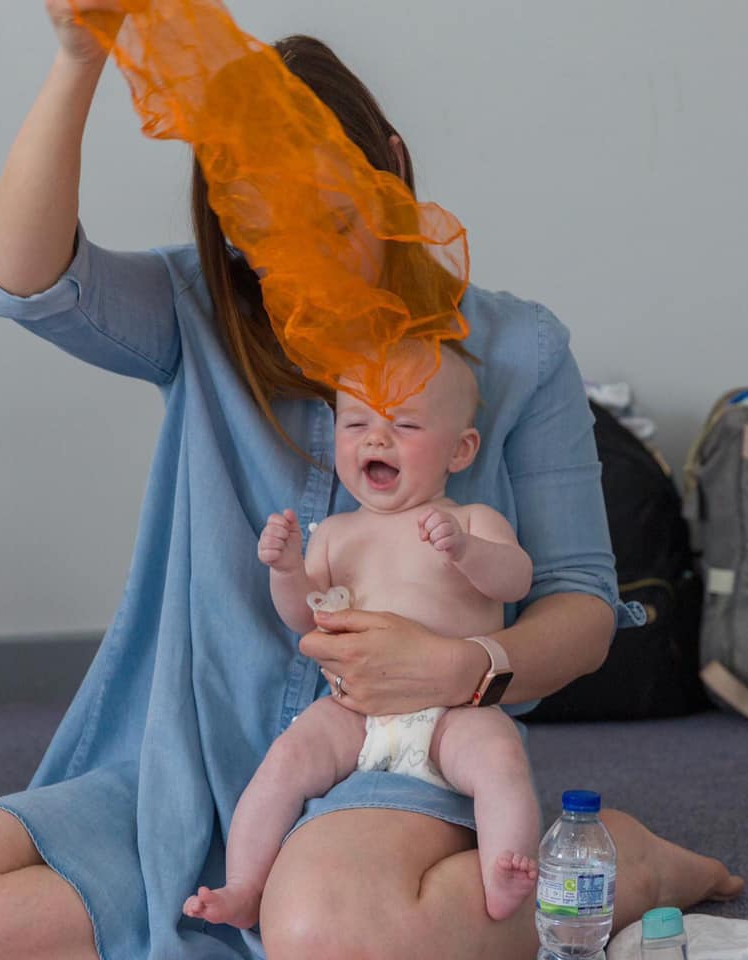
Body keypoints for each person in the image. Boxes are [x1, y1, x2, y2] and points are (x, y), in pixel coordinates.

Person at [0, 3, 744, 959]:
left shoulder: (519, 350)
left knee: (327, 931)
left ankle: (620, 865)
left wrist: (467, 666)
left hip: (400, 763)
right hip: (191, 759)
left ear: (393, 172)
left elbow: (580, 607)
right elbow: (28, 281)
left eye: (332, 219)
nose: (305, 258)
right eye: (265, 230)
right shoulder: (200, 308)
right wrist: (79, 60)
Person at [184, 346, 541, 929]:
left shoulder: (473, 520)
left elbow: (516, 579)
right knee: (285, 761)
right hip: (354, 711)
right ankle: (245, 884)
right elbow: (304, 617)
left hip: (453, 711)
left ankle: (504, 866)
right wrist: (287, 570)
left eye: (405, 425)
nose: (377, 438)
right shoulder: (335, 534)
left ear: (460, 450)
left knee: (499, 759)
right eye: (356, 424)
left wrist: (467, 551)